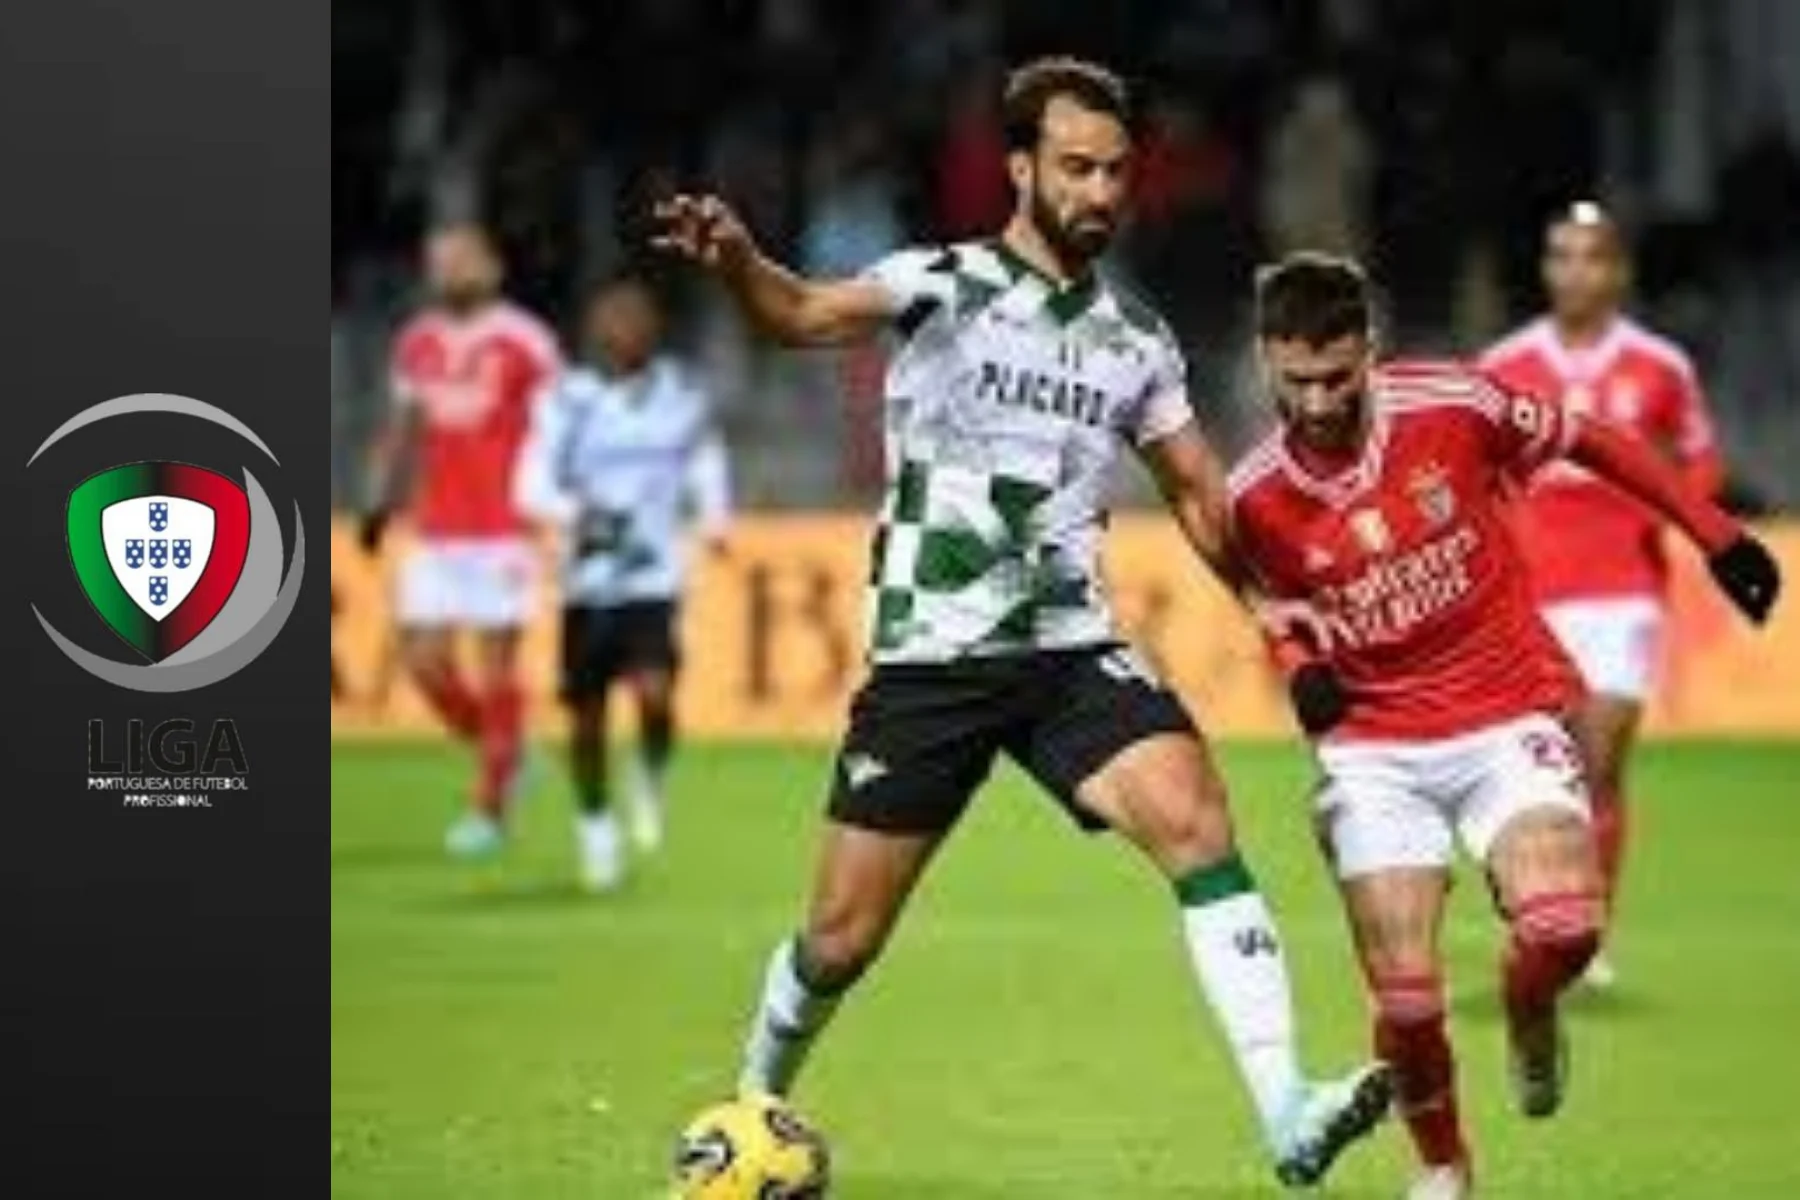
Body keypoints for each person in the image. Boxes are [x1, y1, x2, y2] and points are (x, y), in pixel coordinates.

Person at [652, 57, 1392, 1188]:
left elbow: (1198, 490)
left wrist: (1262, 602)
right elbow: (800, 313)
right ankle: (748, 1106)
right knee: (840, 940)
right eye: (1076, 168)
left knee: (1198, 824)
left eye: (1115, 172)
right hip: (935, 656)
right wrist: (741, 262)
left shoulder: (1136, 339)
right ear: (1019, 169)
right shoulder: (941, 283)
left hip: (1068, 651)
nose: (1100, 192)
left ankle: (1288, 1108)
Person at [1227, 253, 1780, 1199]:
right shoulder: (1254, 495)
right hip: (1375, 748)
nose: (1316, 402)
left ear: (1370, 349)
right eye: (1296, 381)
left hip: (1503, 710)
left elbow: (1592, 439)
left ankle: (1531, 1014)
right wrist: (1300, 669)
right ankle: (1444, 1169)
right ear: (1267, 361)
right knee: (1407, 1000)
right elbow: (1273, 611)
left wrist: (1715, 534)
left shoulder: (1451, 404)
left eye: (1336, 378)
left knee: (1564, 932)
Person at [1479, 201, 1725, 988]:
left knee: (1599, 760)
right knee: (1536, 770)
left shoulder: (1660, 366)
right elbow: (1470, 467)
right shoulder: (1506, 363)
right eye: (1561, 256)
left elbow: (1701, 461)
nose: (1574, 271)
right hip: (1531, 592)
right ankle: (1541, 907)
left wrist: (1671, 518)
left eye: (1591, 257)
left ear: (1618, 271)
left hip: (1624, 590)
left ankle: (1587, 934)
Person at [512, 272, 731, 891]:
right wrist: (575, 514)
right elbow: (529, 483)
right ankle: (595, 824)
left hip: (654, 578)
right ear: (595, 328)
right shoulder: (566, 399)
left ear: (655, 327)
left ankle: (651, 772)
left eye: (638, 316)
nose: (627, 328)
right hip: (585, 583)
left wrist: (714, 518)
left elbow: (705, 458)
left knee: (656, 695)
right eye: (615, 316)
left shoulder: (681, 394)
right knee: (586, 721)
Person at [359, 221, 563, 858]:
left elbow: (560, 429)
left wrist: (557, 510)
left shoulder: (526, 341)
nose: (448, 271)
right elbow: (401, 429)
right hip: (436, 527)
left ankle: (489, 812)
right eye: (438, 261)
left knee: (497, 668)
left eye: (460, 260)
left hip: (505, 528)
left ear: (491, 267)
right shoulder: (417, 342)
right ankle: (509, 752)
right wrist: (379, 500)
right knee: (423, 664)